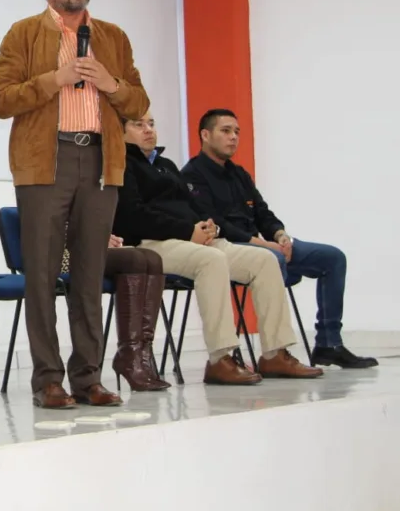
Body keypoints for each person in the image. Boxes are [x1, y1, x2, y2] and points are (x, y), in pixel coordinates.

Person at [0, 0, 150, 408]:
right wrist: (55, 79)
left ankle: (88, 377)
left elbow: (139, 101)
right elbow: (2, 100)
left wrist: (110, 84)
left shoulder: (113, 37)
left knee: (88, 273)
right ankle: (48, 380)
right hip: (46, 162)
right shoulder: (23, 34)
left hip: (101, 161)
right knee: (42, 275)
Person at [113, 111, 324, 384]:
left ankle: (274, 354)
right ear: (121, 131)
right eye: (138, 124)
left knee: (264, 260)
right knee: (211, 260)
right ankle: (220, 358)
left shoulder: (166, 165)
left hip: (193, 240)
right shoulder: (120, 164)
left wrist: (208, 226)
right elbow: (132, 217)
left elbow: (193, 207)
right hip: (152, 244)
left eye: (151, 123)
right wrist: (187, 231)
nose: (148, 130)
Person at [181, 109, 377, 369]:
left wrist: (280, 235)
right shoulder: (191, 175)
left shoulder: (239, 174)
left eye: (237, 132)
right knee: (271, 257)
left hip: (263, 245)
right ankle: (276, 352)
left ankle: (328, 344)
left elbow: (262, 212)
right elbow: (216, 224)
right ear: (205, 135)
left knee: (332, 258)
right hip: (231, 248)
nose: (233, 137)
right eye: (225, 131)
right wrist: (264, 244)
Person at [61, 229, 171, 391]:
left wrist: (101, 238)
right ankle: (129, 355)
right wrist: (93, 239)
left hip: (88, 245)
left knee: (153, 259)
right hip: (62, 254)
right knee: (133, 260)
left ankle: (142, 356)